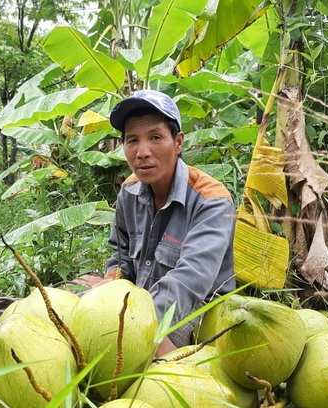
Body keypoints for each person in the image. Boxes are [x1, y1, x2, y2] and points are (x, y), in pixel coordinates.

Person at [99, 89, 237, 356]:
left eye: (155, 137)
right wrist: (109, 284)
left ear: (178, 142)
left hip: (199, 308)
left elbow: (189, 282)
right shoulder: (129, 192)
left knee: (146, 355)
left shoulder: (212, 200)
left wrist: (137, 323)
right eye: (132, 140)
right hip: (140, 299)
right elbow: (121, 255)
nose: (142, 152)